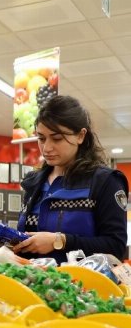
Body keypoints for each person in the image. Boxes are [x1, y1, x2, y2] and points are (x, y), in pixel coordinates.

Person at [13, 95, 128, 263]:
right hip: (33, 282)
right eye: (41, 138)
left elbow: (115, 246)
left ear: (81, 136)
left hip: (82, 285)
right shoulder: (34, 183)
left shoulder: (105, 182)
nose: (47, 148)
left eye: (57, 138)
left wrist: (59, 241)